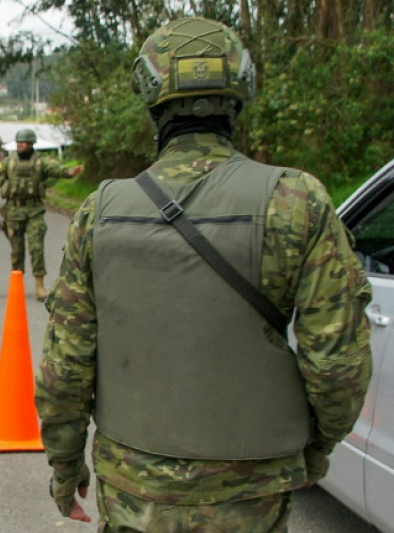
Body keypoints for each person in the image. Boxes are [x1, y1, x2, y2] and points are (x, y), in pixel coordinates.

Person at [35, 17, 373, 532]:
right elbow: (338, 364)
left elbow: (66, 367)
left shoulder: (100, 211)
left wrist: (65, 466)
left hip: (133, 487)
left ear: (152, 101)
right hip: (252, 485)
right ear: (239, 95)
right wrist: (316, 448)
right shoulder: (298, 201)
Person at [0, 128, 83, 300]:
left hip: (34, 211)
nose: (21, 146)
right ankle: (16, 285)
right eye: (19, 143)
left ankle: (39, 286)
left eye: (25, 143)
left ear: (32, 144)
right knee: (16, 251)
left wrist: (70, 172)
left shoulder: (40, 162)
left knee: (37, 249)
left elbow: (56, 169)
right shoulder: (8, 163)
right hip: (13, 211)